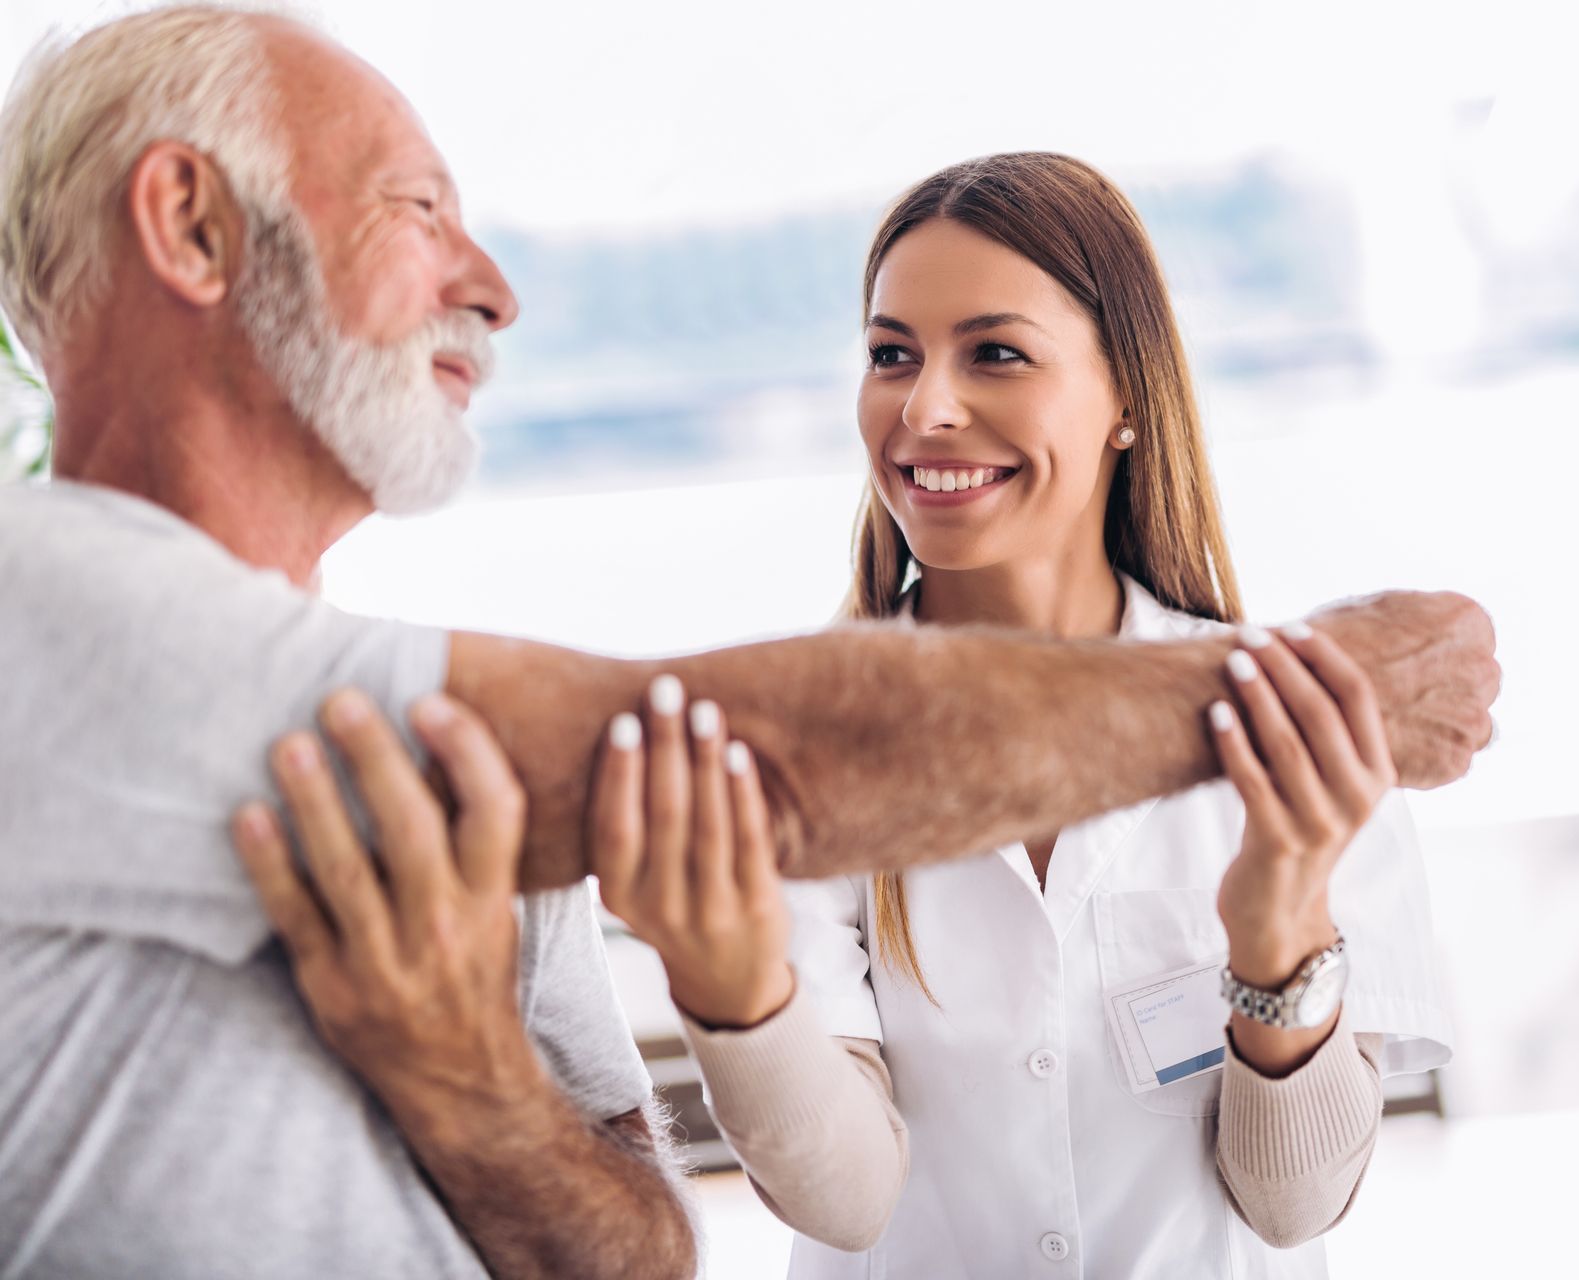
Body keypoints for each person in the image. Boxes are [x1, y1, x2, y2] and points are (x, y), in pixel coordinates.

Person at [0, 5, 1497, 1277]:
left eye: (996, 354)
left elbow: (645, 1253)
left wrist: (465, 1086)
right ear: (191, 223)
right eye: (414, 208)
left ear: (1128, 399)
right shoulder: (46, 605)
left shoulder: (460, 747)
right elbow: (775, 759)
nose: (495, 285)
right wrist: (1310, 695)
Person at [591, 154, 1452, 1280]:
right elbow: (844, 1199)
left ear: (1128, 400)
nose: (925, 408)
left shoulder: (1304, 732)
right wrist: (727, 982)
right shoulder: (796, 741)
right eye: (891, 353)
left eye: (995, 353)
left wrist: (1279, 915)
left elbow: (1293, 1206)